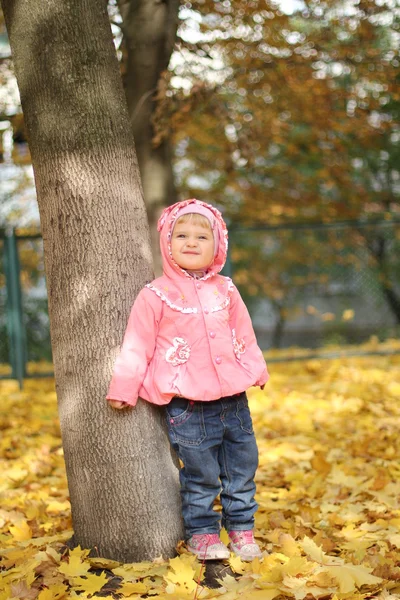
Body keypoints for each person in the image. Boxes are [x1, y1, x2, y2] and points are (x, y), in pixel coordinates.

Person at [107, 199, 269, 561]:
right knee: (200, 476)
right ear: (167, 241)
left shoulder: (226, 289)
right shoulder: (155, 295)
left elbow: (244, 332)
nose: (191, 242)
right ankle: (203, 535)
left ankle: (242, 530)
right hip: (188, 407)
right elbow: (137, 345)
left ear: (217, 246)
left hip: (234, 402)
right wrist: (124, 388)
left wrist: (256, 369)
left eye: (201, 236)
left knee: (242, 469)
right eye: (181, 235)